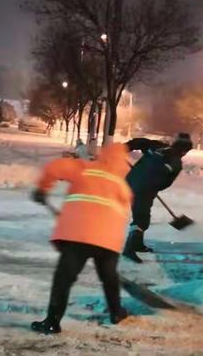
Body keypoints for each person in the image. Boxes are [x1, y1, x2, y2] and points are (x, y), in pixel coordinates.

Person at [30, 143, 132, 334]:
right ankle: (116, 312)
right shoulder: (123, 186)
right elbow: (123, 215)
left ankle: (52, 321)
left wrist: (42, 188)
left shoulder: (86, 169)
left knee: (64, 278)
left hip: (79, 236)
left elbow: (54, 167)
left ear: (102, 155)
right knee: (109, 278)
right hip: (109, 241)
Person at [124, 133, 193, 263]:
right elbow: (165, 183)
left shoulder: (158, 146)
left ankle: (137, 244)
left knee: (142, 214)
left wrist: (125, 147)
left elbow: (140, 142)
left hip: (130, 182)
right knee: (141, 219)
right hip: (143, 190)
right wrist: (154, 188)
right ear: (184, 151)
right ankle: (129, 249)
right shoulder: (176, 162)